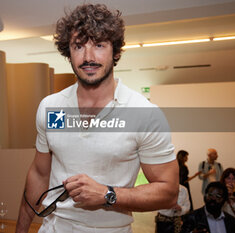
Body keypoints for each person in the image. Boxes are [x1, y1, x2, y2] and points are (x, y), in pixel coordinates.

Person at [15, 3, 178, 233]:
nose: (88, 57)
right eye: (78, 46)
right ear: (68, 53)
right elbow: (39, 174)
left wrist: (107, 194)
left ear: (116, 52)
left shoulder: (144, 114)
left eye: (99, 45)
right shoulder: (51, 108)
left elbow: (169, 192)